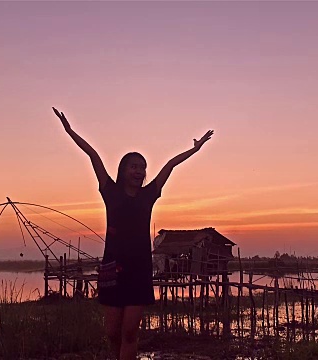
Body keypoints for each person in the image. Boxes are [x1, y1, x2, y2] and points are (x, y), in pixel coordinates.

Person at [53, 107, 213, 360]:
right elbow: (92, 154)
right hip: (112, 267)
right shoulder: (110, 191)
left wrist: (194, 149)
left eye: (143, 168)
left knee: (129, 333)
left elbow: (170, 165)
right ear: (123, 169)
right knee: (112, 333)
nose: (140, 172)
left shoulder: (149, 195)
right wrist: (69, 130)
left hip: (139, 269)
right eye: (134, 167)